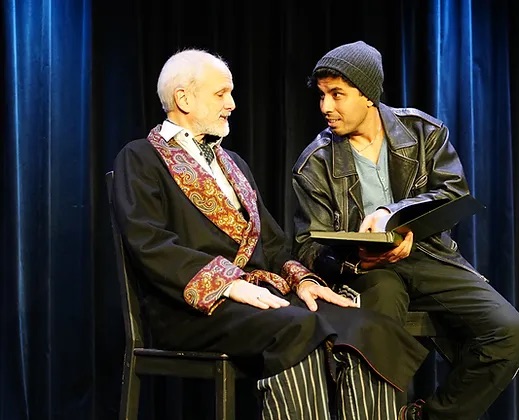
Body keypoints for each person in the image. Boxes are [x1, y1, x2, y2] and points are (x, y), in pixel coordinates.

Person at [112, 48, 429, 419]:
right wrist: (229, 284)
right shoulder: (140, 158)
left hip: (258, 298)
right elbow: (149, 244)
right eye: (221, 94)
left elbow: (274, 244)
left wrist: (303, 281)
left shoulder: (233, 164)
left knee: (365, 325)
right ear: (183, 98)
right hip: (190, 307)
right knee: (298, 327)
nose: (231, 104)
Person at [291, 40, 519, 420]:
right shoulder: (315, 163)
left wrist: (395, 214)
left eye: (337, 95)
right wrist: (357, 263)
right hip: (368, 270)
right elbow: (307, 245)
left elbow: (453, 192)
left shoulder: (423, 131)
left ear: (368, 94)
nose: (326, 107)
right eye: (322, 95)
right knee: (380, 327)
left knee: (510, 333)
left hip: (429, 254)